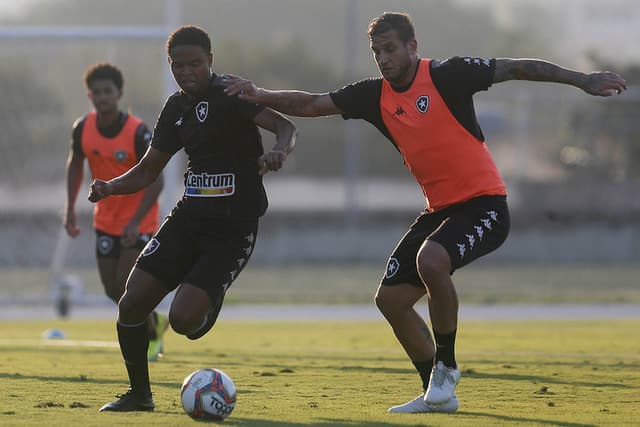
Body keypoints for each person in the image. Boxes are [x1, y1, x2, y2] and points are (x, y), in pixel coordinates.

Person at [222, 12, 627, 414]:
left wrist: (582, 79)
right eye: (376, 51)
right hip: (441, 210)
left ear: (413, 47)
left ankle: (446, 366)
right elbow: (310, 104)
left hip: (486, 203)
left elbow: (518, 67)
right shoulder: (372, 95)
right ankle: (437, 393)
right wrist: (259, 94)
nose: (383, 58)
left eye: (391, 49)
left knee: (432, 260)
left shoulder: (450, 74)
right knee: (391, 300)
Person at [90, 25, 297, 412]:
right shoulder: (176, 108)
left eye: (195, 64)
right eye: (178, 65)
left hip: (232, 228)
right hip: (188, 219)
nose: (186, 72)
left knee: (183, 321)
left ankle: (206, 298)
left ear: (211, 61)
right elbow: (148, 169)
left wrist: (279, 152)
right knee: (131, 302)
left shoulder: (233, 94)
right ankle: (140, 394)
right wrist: (109, 187)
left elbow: (285, 126)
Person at [64, 63, 168, 362]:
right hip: (105, 221)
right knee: (112, 289)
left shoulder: (137, 132)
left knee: (127, 286)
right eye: (96, 92)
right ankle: (155, 321)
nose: (102, 97)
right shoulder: (82, 128)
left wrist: (136, 221)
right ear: (89, 95)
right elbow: (75, 164)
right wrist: (70, 207)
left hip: (138, 222)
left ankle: (149, 336)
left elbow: (156, 179)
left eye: (108, 91)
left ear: (119, 93)